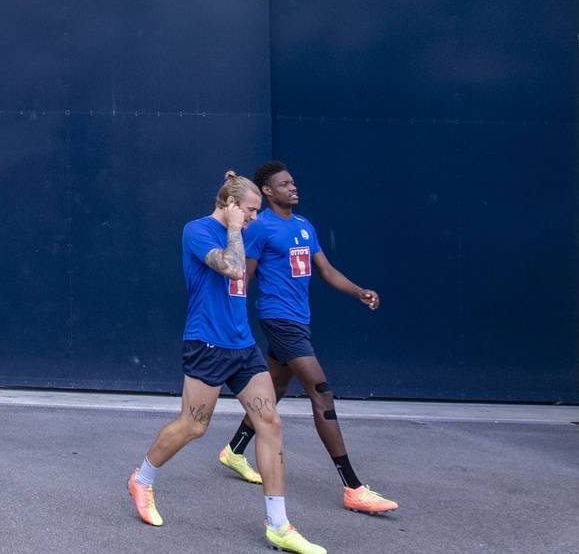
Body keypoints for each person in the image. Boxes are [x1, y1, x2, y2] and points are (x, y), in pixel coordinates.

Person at [128, 172, 325, 554]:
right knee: (194, 426)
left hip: (243, 345)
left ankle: (279, 525)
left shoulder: (247, 231)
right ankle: (142, 478)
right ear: (229, 205)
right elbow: (233, 267)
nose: (254, 218)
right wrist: (236, 227)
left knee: (270, 422)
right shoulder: (196, 231)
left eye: (255, 212)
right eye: (250, 211)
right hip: (206, 344)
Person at [216, 161, 399, 515]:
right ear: (267, 192)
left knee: (277, 389)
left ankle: (234, 449)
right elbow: (243, 276)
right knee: (321, 391)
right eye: (284, 184)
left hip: (300, 321)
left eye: (293, 183)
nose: (293, 188)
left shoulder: (304, 226)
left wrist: (359, 291)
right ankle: (353, 487)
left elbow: (326, 271)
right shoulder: (260, 228)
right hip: (278, 319)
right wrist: (231, 319)